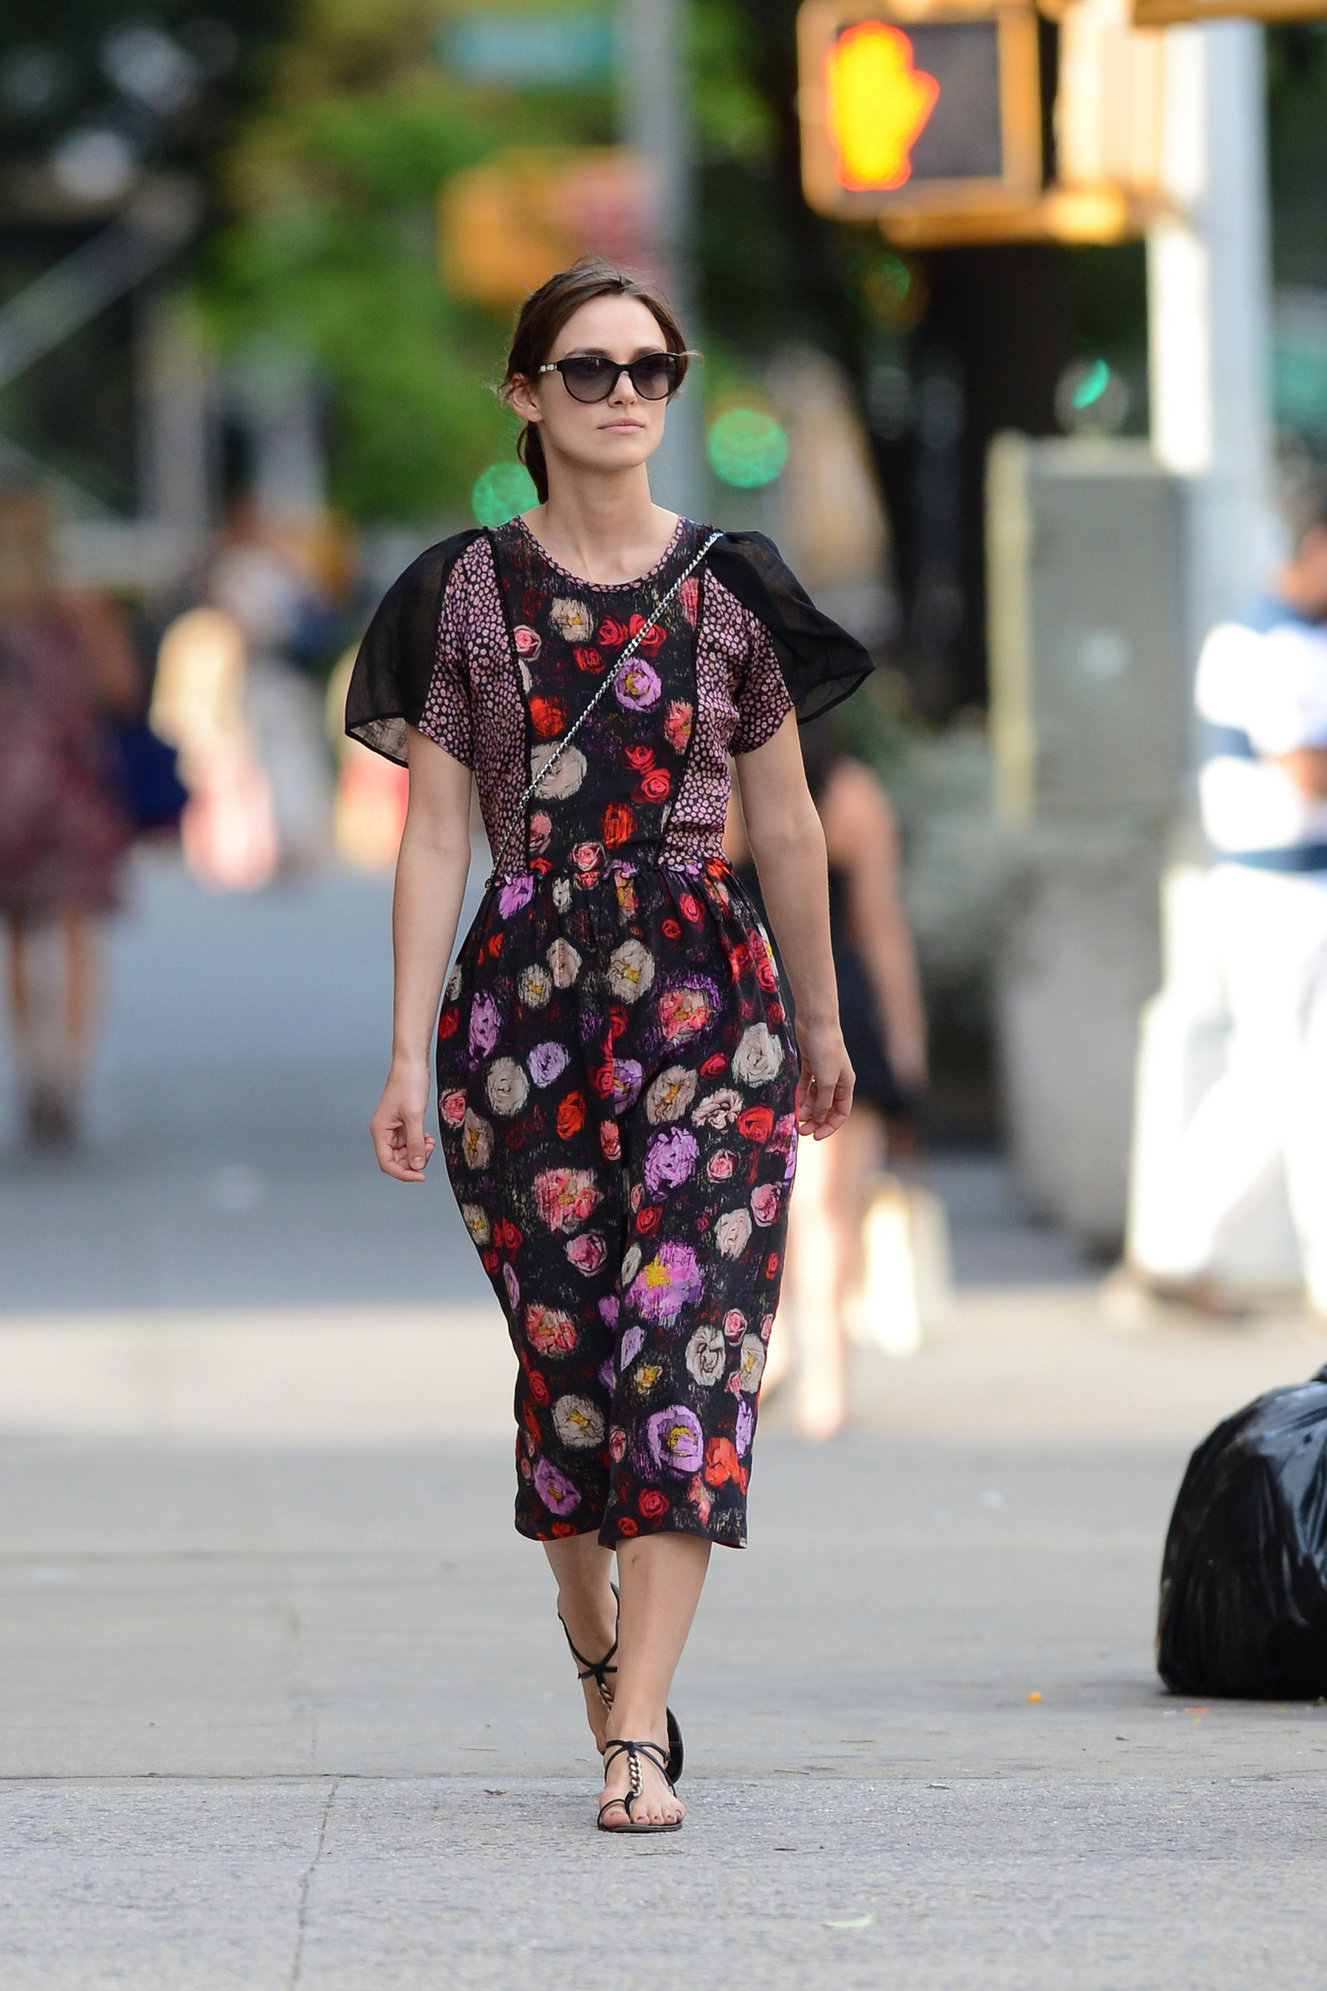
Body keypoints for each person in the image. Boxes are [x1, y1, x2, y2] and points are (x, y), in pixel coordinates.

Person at [345, 257, 872, 1832]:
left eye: (651, 367)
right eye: (587, 369)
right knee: (567, 1374)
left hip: (710, 1007)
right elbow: (433, 831)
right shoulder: (460, 596)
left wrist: (826, 1018)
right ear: (524, 394)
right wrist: (397, 1052)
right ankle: (595, 1649)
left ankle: (635, 1730)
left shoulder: (730, 586)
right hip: (520, 1011)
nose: (625, 394)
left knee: (689, 1349)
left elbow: (785, 823)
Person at [1130, 478, 1327, 1316]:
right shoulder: (1268, 644)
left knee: (1282, 1079)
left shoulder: (1277, 636)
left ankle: (1177, 1244)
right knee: (1282, 1078)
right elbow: (1305, 770)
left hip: (1279, 882)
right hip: (1278, 885)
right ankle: (1178, 1243)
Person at [730, 718, 928, 1437]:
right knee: (830, 1205)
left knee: (757, 1196)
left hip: (739, 997)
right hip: (834, 999)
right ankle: (829, 1380)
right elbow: (877, 919)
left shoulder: (723, 783)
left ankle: (775, 1347)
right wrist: (904, 1030)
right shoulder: (850, 792)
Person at [0, 484, 140, 1146]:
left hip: (7, 792)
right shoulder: (76, 608)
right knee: (79, 929)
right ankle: (70, 1068)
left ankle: (35, 1060)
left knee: (22, 931)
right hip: (73, 787)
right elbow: (121, 689)